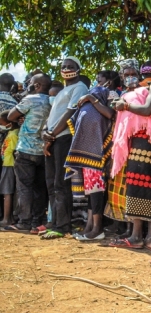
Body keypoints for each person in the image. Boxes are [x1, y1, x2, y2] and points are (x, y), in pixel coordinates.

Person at [109, 56, 151, 250]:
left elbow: (147, 110)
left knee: (136, 184)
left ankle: (137, 236)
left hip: (143, 140)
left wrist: (125, 106)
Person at [41, 57, 88, 239]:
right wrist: (46, 131)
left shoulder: (79, 88)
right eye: (64, 66)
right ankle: (54, 222)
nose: (67, 69)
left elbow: (70, 113)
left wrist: (51, 135)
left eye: (71, 66)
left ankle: (63, 225)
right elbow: (52, 115)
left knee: (60, 183)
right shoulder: (63, 90)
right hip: (53, 139)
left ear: (78, 69)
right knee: (51, 182)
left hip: (63, 139)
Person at [65, 84, 115, 241]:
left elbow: (110, 117)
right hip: (87, 160)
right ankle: (90, 226)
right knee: (92, 193)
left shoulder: (100, 107)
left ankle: (97, 228)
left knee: (97, 193)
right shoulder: (87, 108)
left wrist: (92, 99)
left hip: (98, 158)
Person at [6, 74, 51, 234]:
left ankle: (24, 222)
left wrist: (26, 96)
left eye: (30, 83)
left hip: (25, 149)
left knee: (25, 187)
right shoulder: (52, 100)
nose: (28, 85)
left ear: (37, 85)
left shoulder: (31, 99)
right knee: (40, 188)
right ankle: (37, 222)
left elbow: (11, 116)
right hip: (44, 151)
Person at [0, 110, 19, 227]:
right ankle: (9, 217)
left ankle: (7, 219)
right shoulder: (11, 132)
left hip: (9, 165)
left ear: (9, 123)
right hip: (6, 164)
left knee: (7, 192)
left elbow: (14, 152)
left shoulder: (14, 134)